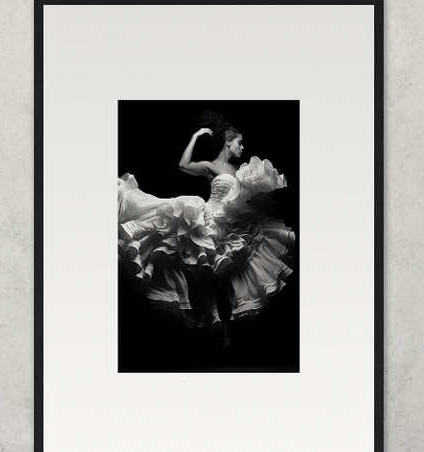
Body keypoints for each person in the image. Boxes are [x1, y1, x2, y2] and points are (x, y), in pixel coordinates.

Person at [117, 110, 295, 343]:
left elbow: (242, 195)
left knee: (229, 276)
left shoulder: (238, 169)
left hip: (231, 223)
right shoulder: (210, 166)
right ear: (227, 142)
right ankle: (218, 333)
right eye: (239, 143)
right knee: (204, 270)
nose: (242, 148)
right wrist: (196, 135)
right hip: (208, 221)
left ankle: (227, 334)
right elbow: (183, 165)